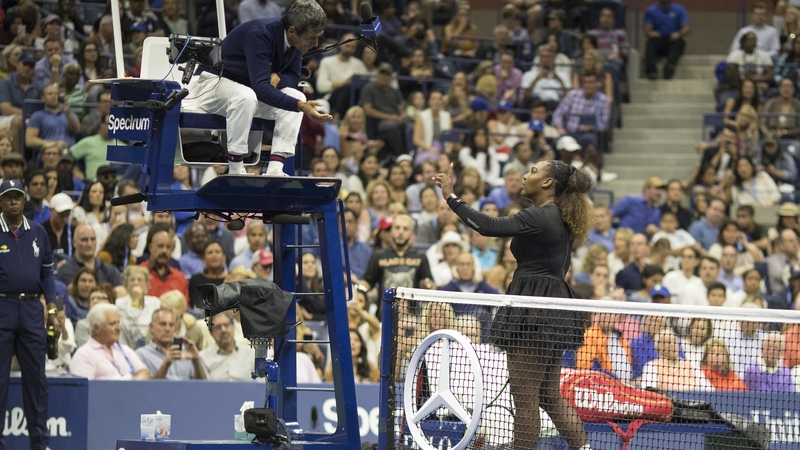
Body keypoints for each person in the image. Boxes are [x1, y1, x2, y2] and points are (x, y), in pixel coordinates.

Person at [434, 160, 592, 449]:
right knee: (548, 395)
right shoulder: (558, 217)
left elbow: (486, 226)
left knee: (525, 396)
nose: (525, 175)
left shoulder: (540, 216)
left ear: (548, 183)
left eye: (533, 171)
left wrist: (451, 198)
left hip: (533, 304)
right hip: (553, 304)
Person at [182, 0, 332, 176]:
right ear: (292, 31)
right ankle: (236, 167)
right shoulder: (259, 34)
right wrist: (299, 107)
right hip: (211, 83)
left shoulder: (296, 42)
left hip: (246, 90)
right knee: (246, 97)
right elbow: (261, 88)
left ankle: (276, 168)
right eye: (312, 38)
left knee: (296, 95)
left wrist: (280, 78)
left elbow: (292, 78)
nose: (315, 43)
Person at [0, 179, 59, 450]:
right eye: (8, 197)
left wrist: (53, 309)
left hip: (34, 309)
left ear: (24, 201)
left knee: (37, 380)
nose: (13, 202)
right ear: (1, 202)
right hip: (3, 308)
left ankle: (40, 443)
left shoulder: (38, 232)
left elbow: (47, 272)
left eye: (18, 197)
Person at [69, 303, 151, 380]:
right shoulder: (84, 355)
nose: (118, 328)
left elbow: (144, 372)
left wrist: (131, 385)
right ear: (97, 328)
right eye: (112, 324)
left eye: (118, 323)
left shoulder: (124, 349)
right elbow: (85, 391)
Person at [136, 308, 206, 380]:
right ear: (152, 327)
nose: (167, 329)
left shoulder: (186, 352)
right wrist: (166, 364)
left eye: (171, 325)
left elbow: (203, 387)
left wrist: (196, 361)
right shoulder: (141, 355)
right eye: (163, 324)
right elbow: (146, 388)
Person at [200, 311, 257, 381]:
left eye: (226, 325)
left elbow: (260, 384)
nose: (223, 330)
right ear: (211, 333)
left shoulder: (251, 353)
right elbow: (203, 387)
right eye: (218, 327)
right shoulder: (203, 357)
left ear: (233, 327)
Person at [642, 0, 689, 80]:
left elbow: (686, 27)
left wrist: (679, 33)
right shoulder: (651, 10)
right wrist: (651, 33)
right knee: (650, 43)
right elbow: (647, 29)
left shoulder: (679, 9)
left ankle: (669, 67)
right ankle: (651, 71)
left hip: (673, 39)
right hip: (658, 39)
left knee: (679, 43)